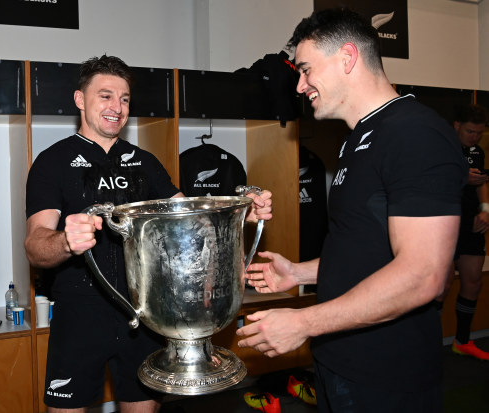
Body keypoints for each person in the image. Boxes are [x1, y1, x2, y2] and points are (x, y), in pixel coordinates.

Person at [236, 8, 467, 413]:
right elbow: (367, 250)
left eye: (306, 70)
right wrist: (299, 272)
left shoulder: (415, 133)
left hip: (387, 376)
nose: (300, 86)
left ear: (347, 58)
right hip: (339, 364)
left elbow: (423, 276)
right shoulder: (357, 138)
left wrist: (303, 323)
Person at [24, 54, 272, 413]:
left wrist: (243, 210)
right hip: (79, 316)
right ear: (80, 99)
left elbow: (192, 219)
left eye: (124, 99)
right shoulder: (52, 162)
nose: (117, 107)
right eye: (105, 95)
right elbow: (35, 246)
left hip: (145, 318)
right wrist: (64, 240)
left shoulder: (146, 163)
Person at [442, 104, 489, 359]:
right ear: (457, 125)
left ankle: (461, 341)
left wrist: (486, 209)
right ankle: (425, 344)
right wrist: (462, 178)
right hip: (446, 224)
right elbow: (429, 182)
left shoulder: (476, 151)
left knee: (473, 282)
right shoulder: (440, 146)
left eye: (479, 133)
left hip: (473, 224)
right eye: (470, 131)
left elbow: (481, 181)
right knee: (442, 285)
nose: (475, 137)